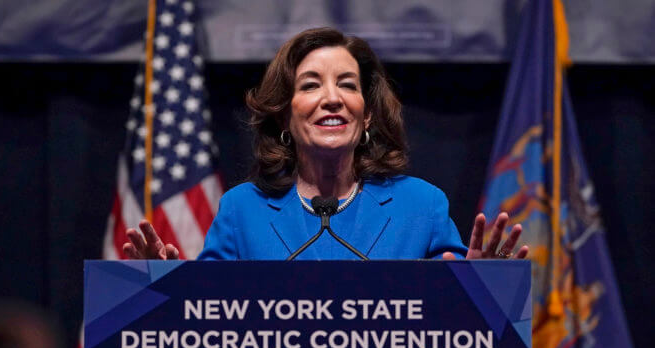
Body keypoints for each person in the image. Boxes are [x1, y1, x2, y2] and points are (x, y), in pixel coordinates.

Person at [123, 27, 528, 261]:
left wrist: (481, 290)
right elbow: (208, 324)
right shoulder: (241, 211)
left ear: (366, 114)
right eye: (311, 85)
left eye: (347, 85)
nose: (331, 98)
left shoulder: (421, 207)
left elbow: (456, 330)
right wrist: (170, 294)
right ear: (285, 114)